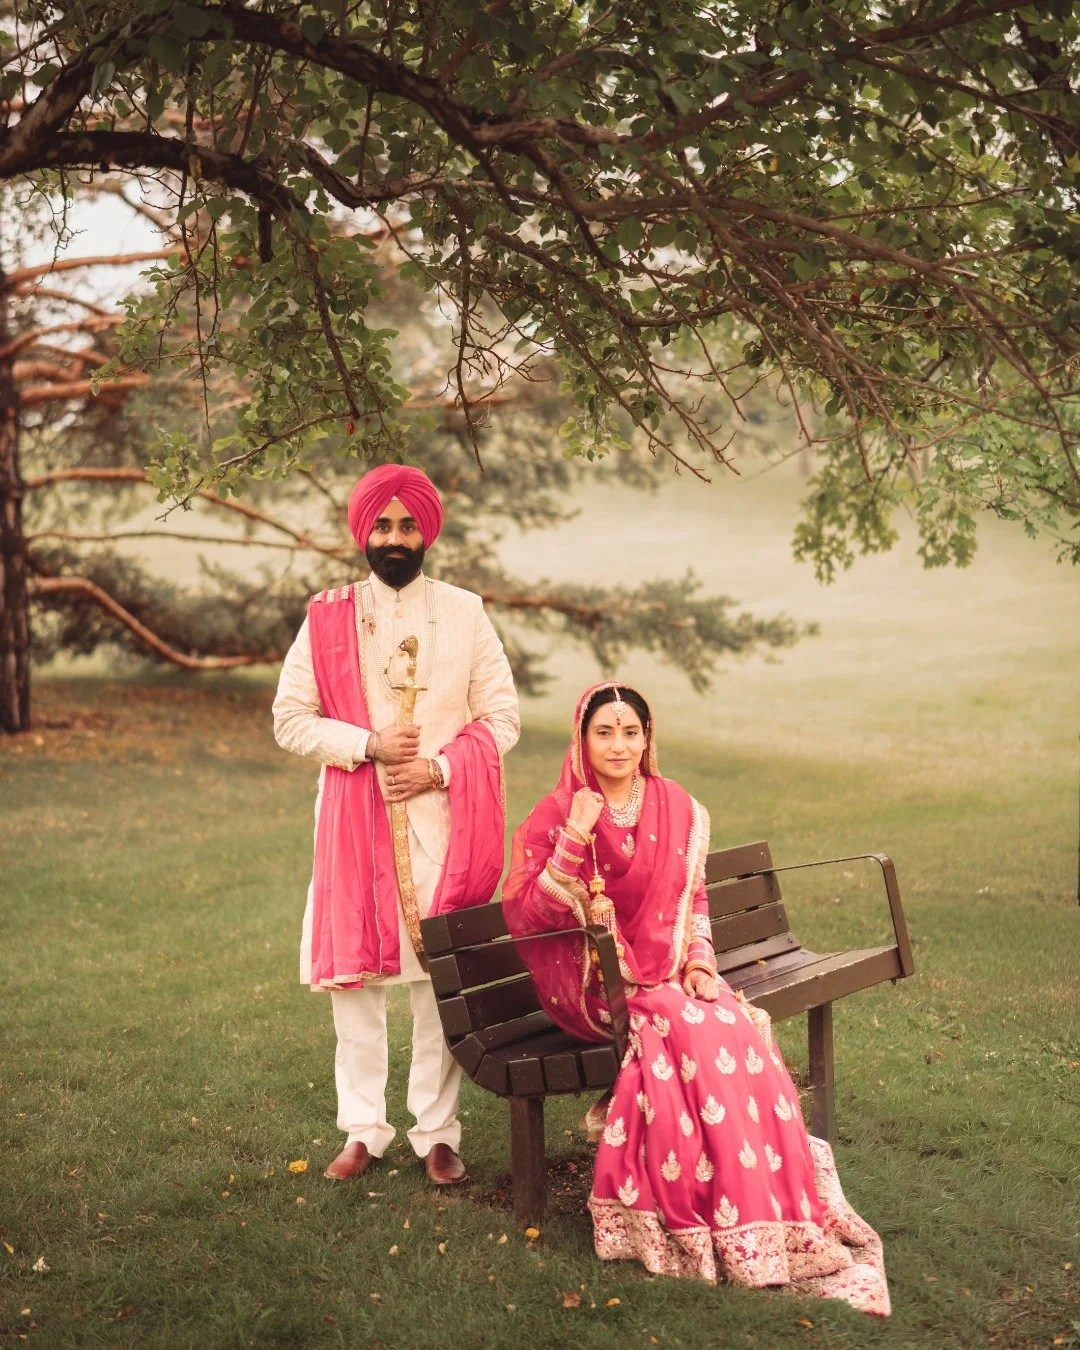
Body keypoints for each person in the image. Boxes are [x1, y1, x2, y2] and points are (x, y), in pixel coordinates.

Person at [502, 683, 889, 1316]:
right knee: (699, 1030)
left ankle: (769, 1211)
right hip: (603, 986)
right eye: (605, 732)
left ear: (648, 737)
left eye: (632, 732)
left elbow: (696, 897)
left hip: (677, 974)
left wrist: (704, 963)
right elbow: (536, 915)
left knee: (732, 1021)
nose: (619, 745)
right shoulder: (556, 812)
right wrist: (575, 836)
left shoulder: (675, 804)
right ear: (583, 737)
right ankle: (708, 1215)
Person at [273, 464, 520, 1186]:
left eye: (408, 524)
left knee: (435, 984)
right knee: (357, 987)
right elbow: (290, 720)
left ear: (427, 532)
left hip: (440, 822)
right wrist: (366, 746)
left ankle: (435, 1132)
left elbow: (500, 717)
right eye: (382, 525)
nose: (395, 537)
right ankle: (363, 1130)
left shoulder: (466, 612)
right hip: (354, 823)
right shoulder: (327, 616)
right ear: (363, 533)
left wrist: (439, 768)